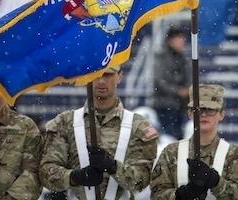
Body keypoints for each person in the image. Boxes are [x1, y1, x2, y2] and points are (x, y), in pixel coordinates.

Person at [39, 66, 158, 200]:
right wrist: (75, 177)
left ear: (120, 77)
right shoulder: (65, 122)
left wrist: (113, 167)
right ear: (86, 78)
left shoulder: (138, 126)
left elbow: (141, 181)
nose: (101, 81)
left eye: (107, 75)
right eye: (95, 75)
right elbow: (46, 173)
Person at [150, 84, 238, 200]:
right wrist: (181, 195)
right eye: (198, 109)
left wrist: (216, 182)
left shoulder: (234, 155)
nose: (203, 114)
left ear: (222, 114)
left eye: (210, 110)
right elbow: (157, 194)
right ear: (190, 113)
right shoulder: (171, 153)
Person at [152, 27, 190, 139]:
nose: (182, 41)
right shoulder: (162, 57)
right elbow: (159, 81)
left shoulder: (183, 58)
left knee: (177, 136)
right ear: (170, 40)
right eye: (179, 38)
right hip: (165, 105)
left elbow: (188, 77)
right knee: (168, 137)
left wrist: (187, 89)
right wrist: (178, 91)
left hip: (179, 106)